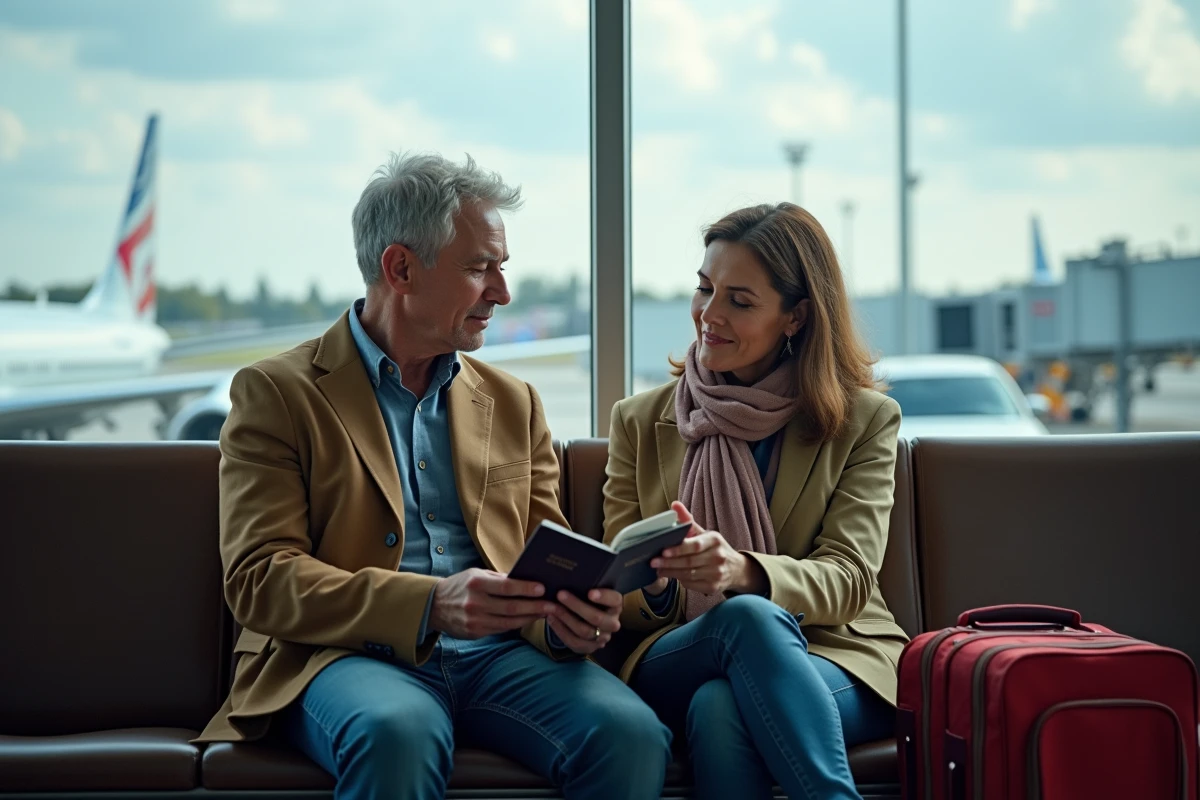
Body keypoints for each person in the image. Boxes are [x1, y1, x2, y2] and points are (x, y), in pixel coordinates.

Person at [195, 151, 671, 800]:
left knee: (630, 733)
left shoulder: (513, 400)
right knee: (398, 730)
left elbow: (544, 557)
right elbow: (259, 579)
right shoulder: (277, 392)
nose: (501, 293)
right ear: (401, 268)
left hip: (504, 656)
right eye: (480, 269)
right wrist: (429, 604)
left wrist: (565, 614)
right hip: (343, 656)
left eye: (500, 269)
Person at [602, 202, 906, 800]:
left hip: (836, 655)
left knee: (722, 706)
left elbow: (848, 580)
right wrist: (661, 579)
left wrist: (741, 572)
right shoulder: (640, 420)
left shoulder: (863, 421)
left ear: (795, 318)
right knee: (742, 620)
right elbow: (620, 587)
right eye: (704, 289)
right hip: (677, 652)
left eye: (739, 301)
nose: (708, 315)